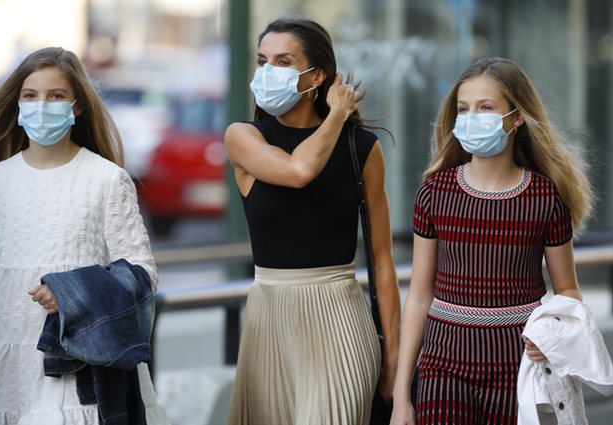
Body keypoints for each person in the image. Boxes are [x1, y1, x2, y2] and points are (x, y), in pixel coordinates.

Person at [0, 47, 158, 424]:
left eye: (55, 96)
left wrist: (73, 291)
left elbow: (143, 272)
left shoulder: (107, 179)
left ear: (77, 106)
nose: (42, 105)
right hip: (2, 372)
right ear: (17, 105)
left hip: (77, 368)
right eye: (30, 96)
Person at [390, 57, 593, 425]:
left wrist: (548, 335)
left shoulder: (546, 199)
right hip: (442, 365)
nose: (471, 118)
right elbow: (419, 295)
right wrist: (403, 396)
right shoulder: (434, 192)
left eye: (485, 108)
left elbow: (568, 292)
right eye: (463, 109)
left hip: (516, 368)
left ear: (517, 117)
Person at [225, 17, 401, 424]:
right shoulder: (244, 137)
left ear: (316, 75)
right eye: (262, 61)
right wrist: (336, 116)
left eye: (283, 62)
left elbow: (382, 260)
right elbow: (298, 171)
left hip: (341, 321)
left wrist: (393, 357)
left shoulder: (362, 149)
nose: (268, 72)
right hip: (269, 324)